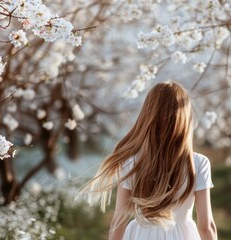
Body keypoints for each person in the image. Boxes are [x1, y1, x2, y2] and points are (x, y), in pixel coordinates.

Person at [77, 81, 217, 240]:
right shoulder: (198, 163)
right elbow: (206, 226)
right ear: (185, 117)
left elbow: (119, 221)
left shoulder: (131, 163)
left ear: (148, 115)